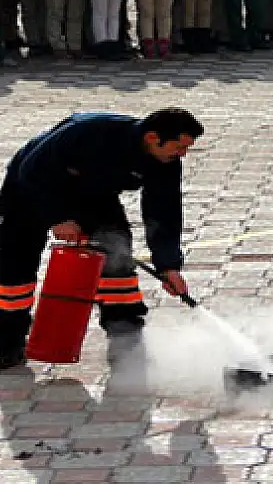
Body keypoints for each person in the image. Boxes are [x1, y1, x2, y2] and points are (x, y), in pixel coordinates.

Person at [0, 108, 201, 369]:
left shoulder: (166, 163)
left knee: (117, 256)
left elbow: (164, 214)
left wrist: (168, 265)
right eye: (180, 146)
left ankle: (125, 340)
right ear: (153, 137)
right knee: (15, 265)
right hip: (31, 187)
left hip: (94, 195)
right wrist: (57, 217)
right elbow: (31, 171)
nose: (183, 154)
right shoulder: (89, 132)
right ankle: (6, 341)